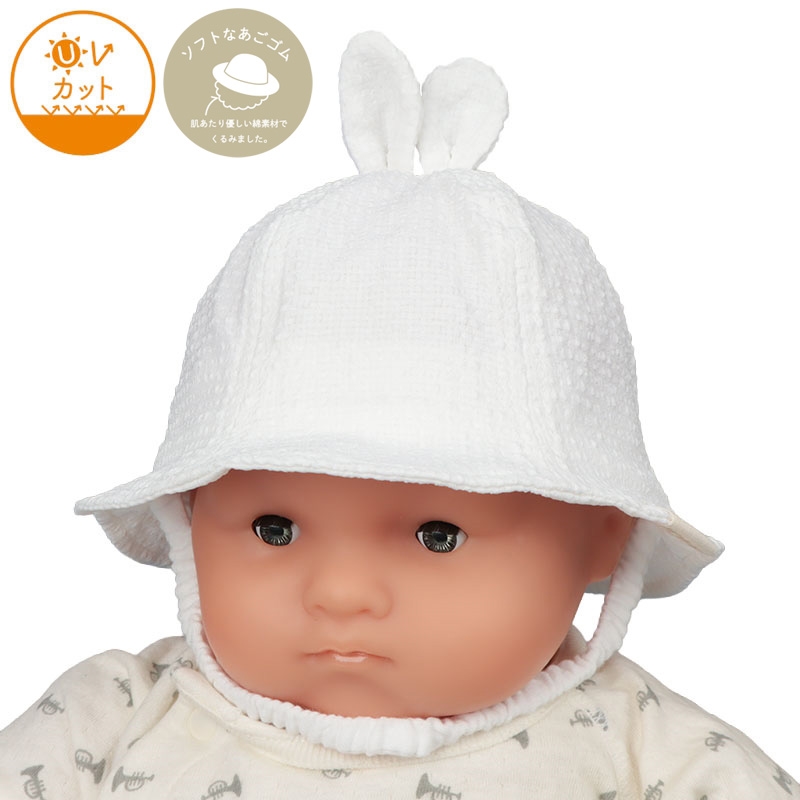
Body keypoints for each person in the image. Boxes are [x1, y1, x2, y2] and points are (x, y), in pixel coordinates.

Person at [1, 32, 795, 798]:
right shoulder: (109, 716)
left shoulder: (651, 747)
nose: (340, 593)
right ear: (188, 516)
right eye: (273, 528)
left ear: (600, 536)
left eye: (437, 534)